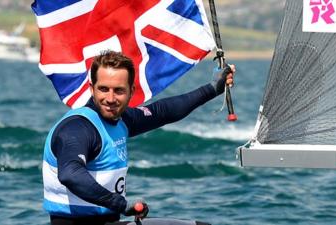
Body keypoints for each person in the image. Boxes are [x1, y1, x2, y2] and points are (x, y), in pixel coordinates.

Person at [42, 50, 235, 225]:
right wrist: (120, 204)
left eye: (118, 90)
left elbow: (163, 111)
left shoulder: (121, 119)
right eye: (103, 89)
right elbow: (70, 173)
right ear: (91, 89)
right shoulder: (77, 129)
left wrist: (213, 88)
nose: (110, 98)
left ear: (131, 92)